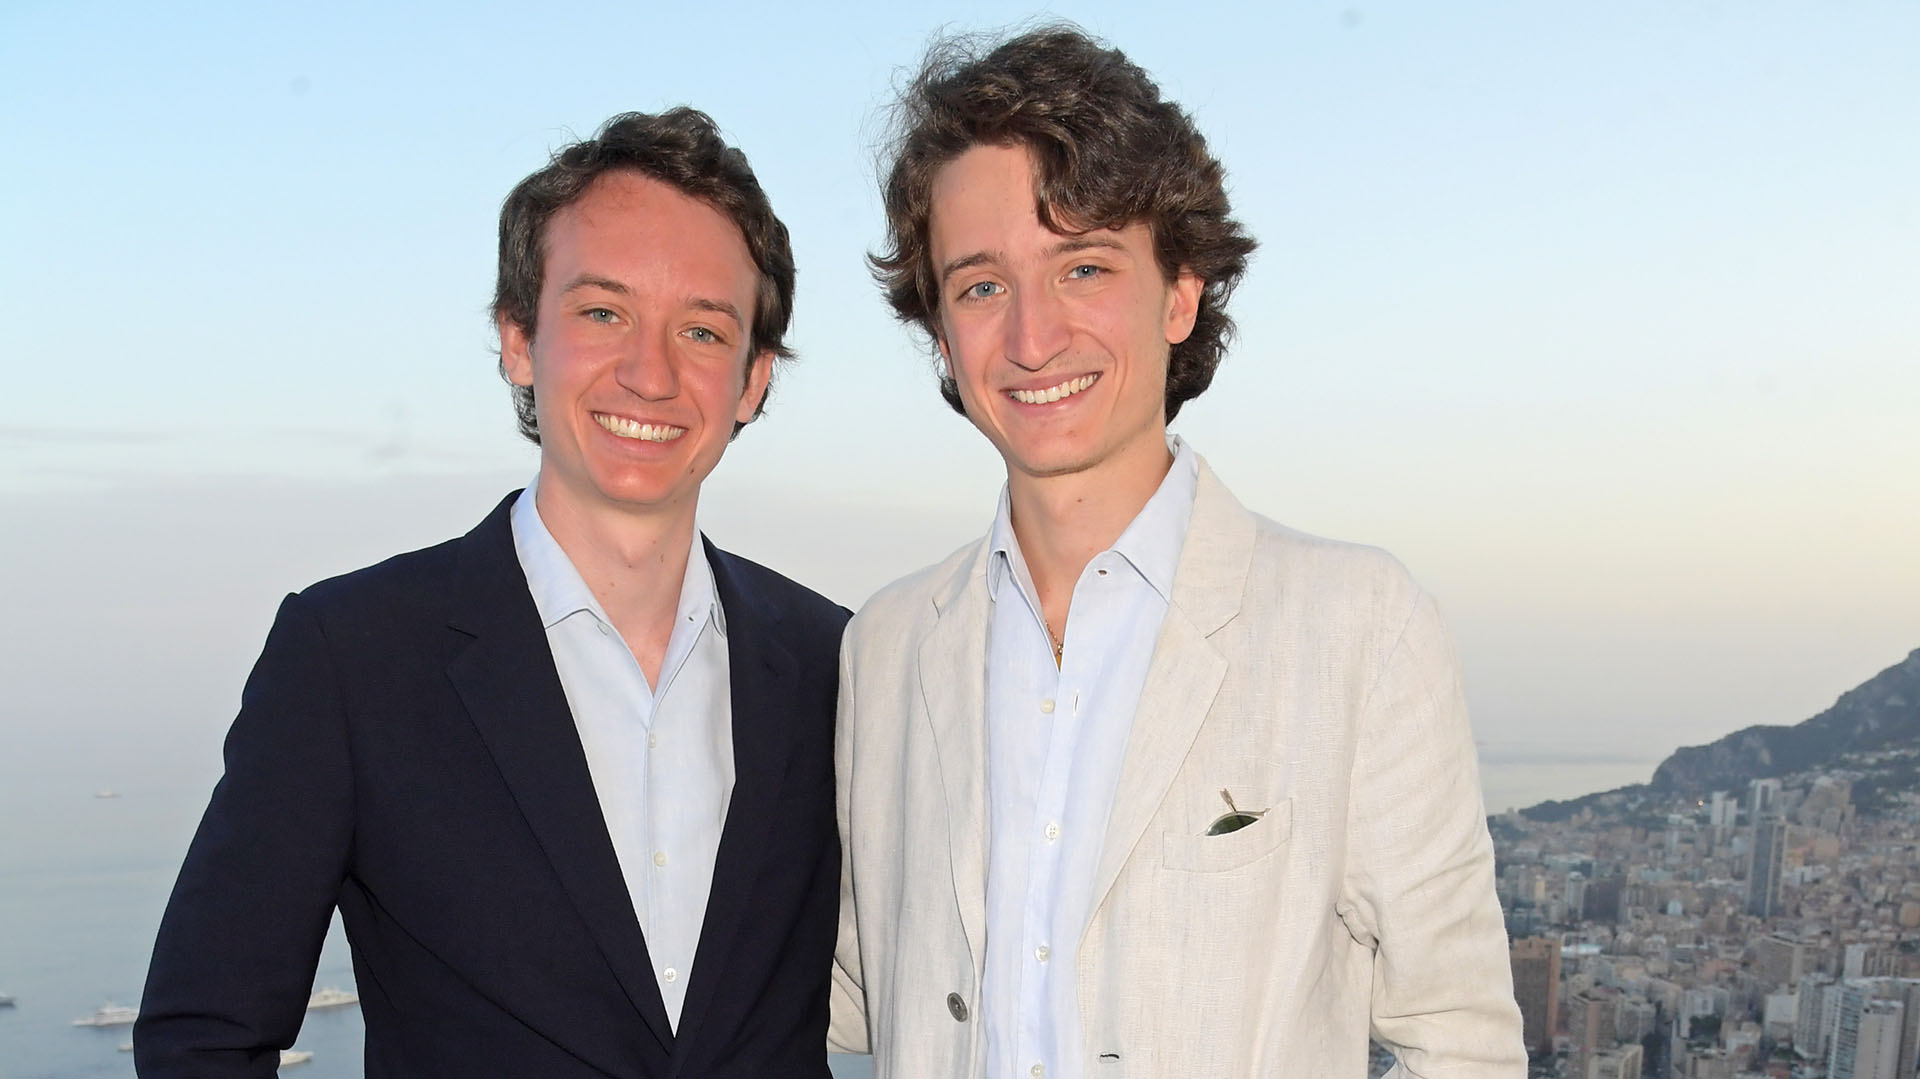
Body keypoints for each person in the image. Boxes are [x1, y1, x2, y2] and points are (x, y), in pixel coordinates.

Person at [829, 27, 1526, 1077]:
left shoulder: (1357, 625)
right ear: (938, 329)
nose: (1031, 336)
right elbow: (850, 1003)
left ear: (1181, 291)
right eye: (979, 286)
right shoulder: (883, 646)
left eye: (1085, 266)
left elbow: (1459, 1039)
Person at [136, 108, 847, 1078]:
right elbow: (202, 1033)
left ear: (753, 380)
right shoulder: (352, 656)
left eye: (703, 328)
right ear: (519, 339)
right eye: (603, 312)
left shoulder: (834, 663)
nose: (650, 371)